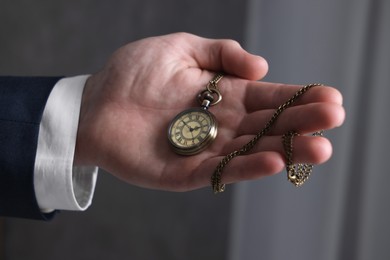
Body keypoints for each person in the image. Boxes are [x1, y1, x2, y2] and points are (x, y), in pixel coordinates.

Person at [0, 32, 345, 220]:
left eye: (194, 129)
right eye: (193, 129)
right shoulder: (195, 116)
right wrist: (90, 109)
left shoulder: (201, 115)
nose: (193, 130)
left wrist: (86, 116)